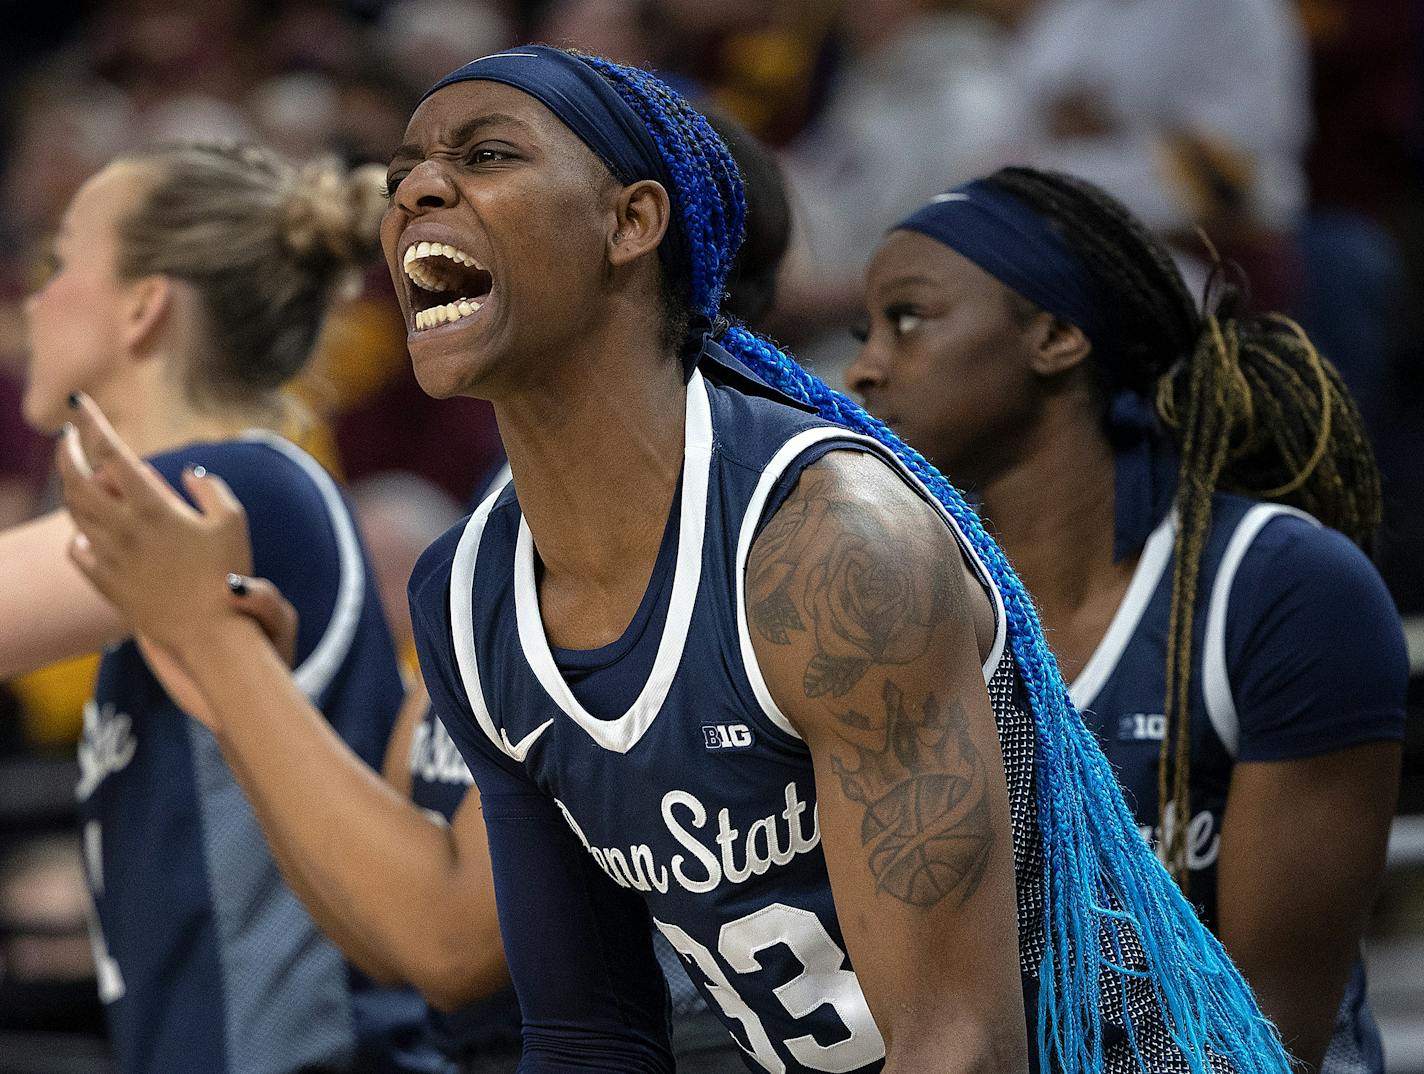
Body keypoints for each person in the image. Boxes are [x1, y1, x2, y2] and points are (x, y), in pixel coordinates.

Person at [56, 47, 1292, 1074]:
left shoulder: (827, 549)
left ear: (630, 222)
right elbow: (590, 1033)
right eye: (404, 172)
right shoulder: (471, 589)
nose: (418, 190)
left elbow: (958, 1045)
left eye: (482, 155)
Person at [845, 166, 1405, 1073]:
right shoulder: (894, 603)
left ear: (1057, 337)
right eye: (866, 328)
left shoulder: (1283, 589)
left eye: (907, 318)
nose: (865, 365)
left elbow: (1270, 1034)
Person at [0, 144, 447, 1074]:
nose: (32, 302)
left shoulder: (234, 489)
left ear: (142, 304)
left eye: (59, 263)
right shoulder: (209, 509)